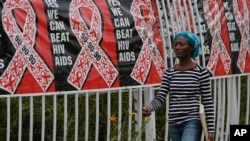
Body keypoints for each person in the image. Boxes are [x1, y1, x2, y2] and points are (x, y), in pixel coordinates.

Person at [142, 31, 214, 141]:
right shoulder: (169, 73)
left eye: (181, 44)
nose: (177, 47)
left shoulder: (201, 72)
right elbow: (161, 97)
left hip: (192, 121)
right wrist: (150, 108)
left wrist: (210, 129)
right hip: (173, 123)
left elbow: (208, 101)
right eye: (175, 45)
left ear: (191, 47)